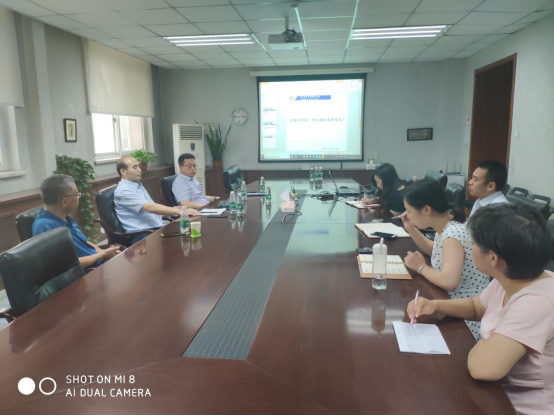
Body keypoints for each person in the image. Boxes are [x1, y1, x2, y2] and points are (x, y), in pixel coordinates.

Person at [408, 204, 554, 415]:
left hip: (517, 407)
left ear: (493, 258)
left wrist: (484, 340)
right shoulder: (512, 275)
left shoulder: (537, 303)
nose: (469, 245)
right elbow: (476, 306)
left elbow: (483, 368)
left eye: (474, 243)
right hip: (493, 393)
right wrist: (435, 305)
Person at [401, 179, 490, 339]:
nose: (406, 215)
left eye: (408, 211)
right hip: (450, 303)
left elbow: (448, 282)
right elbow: (435, 250)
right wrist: (411, 228)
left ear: (426, 209)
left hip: (466, 317)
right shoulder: (446, 225)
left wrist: (421, 267)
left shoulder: (453, 234)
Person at [33, 175, 121, 268]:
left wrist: (105, 253)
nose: (79, 197)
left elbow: (84, 242)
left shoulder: (64, 216)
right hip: (88, 271)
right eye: (77, 194)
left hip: (99, 262)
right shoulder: (45, 227)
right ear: (65, 201)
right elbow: (64, 265)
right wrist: (102, 255)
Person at [115, 157, 200, 245]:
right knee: (184, 243)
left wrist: (171, 211)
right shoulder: (124, 191)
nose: (139, 170)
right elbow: (150, 208)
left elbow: (149, 212)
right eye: (135, 167)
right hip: (142, 235)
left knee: (191, 237)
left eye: (139, 166)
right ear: (123, 171)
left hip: (155, 229)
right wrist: (180, 211)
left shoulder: (137, 185)